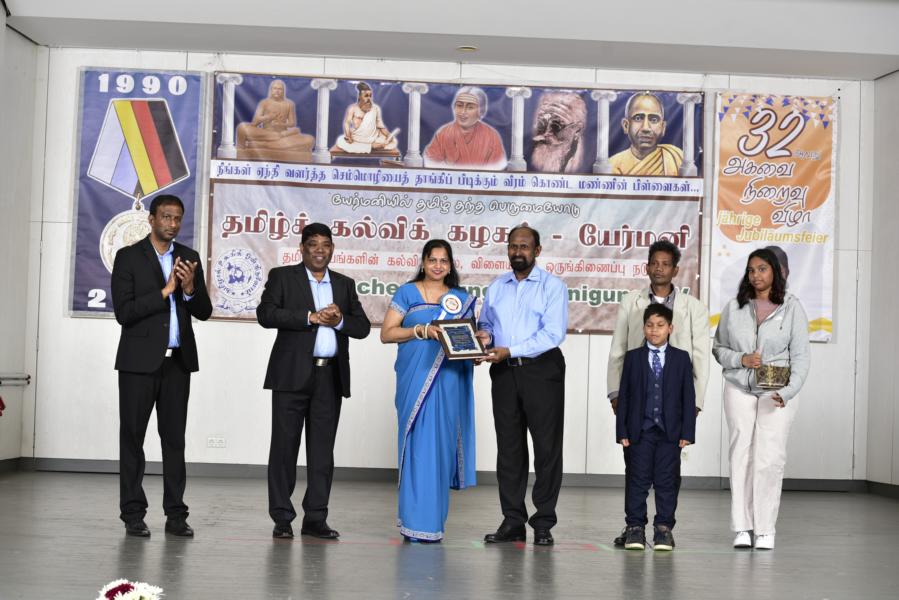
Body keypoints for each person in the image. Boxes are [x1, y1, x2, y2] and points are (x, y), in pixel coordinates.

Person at [257, 223, 371, 540]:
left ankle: (316, 519)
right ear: (302, 248)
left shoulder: (344, 285)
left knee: (322, 452)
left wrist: (340, 320)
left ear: (332, 249)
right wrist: (310, 317)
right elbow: (266, 314)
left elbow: (362, 327)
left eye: (326, 245)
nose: (320, 250)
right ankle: (282, 518)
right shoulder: (283, 277)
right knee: (284, 449)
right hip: (290, 376)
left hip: (329, 377)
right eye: (313, 244)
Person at [111, 194, 212, 538]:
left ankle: (176, 515)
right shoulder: (128, 257)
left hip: (177, 364)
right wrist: (166, 290)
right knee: (132, 439)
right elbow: (124, 313)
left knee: (174, 441)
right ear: (151, 219)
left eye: (177, 218)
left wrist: (189, 288)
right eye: (166, 217)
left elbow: (204, 311)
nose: (172, 223)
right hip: (138, 365)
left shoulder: (189, 258)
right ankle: (133, 514)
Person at [607, 239, 709, 546]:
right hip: (637, 401)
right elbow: (618, 348)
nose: (659, 269)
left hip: (674, 405)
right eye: (654, 263)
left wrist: (695, 403)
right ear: (647, 267)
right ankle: (634, 526)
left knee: (668, 473)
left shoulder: (693, 308)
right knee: (636, 469)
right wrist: (615, 394)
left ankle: (664, 526)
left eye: (666, 264)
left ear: (676, 270)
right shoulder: (631, 302)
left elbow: (700, 357)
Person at [713, 248, 810, 550]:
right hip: (739, 386)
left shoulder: (792, 307)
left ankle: (765, 529)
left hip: (776, 391)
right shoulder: (734, 307)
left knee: (769, 458)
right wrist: (741, 359)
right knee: (740, 454)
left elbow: (801, 357)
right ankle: (742, 527)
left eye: (762, 269)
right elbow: (718, 348)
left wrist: (788, 392)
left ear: (775, 272)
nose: (756, 275)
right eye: (751, 270)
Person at [380, 240, 477, 542]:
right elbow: (387, 334)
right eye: (432, 260)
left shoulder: (460, 298)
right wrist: (420, 331)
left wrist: (478, 347)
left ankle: (432, 524)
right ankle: (413, 522)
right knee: (418, 447)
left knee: (441, 449)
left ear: (450, 265)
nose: (438, 266)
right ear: (423, 262)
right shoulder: (407, 293)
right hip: (414, 379)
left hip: (448, 381)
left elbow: (467, 338)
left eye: (443, 261)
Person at [476, 226, 567, 546]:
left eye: (524, 246)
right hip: (503, 373)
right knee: (509, 450)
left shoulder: (552, 286)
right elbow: (486, 324)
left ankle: (543, 522)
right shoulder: (496, 286)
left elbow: (553, 334)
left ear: (537, 251)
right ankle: (513, 520)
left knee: (546, 449)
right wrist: (483, 338)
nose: (518, 252)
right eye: (513, 246)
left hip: (542, 371)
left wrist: (510, 350)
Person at [616, 304, 696, 551]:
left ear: (670, 328)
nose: (654, 330)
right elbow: (625, 396)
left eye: (660, 325)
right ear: (643, 328)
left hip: (670, 433)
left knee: (666, 481)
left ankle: (663, 529)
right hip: (639, 431)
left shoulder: (681, 358)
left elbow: (688, 397)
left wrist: (687, 432)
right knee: (637, 480)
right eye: (649, 325)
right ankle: (635, 527)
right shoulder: (633, 357)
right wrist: (622, 431)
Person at [424, 86, 507, 170]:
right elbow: (430, 162)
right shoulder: (444, 133)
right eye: (459, 106)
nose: (463, 112)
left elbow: (498, 167)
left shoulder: (491, 136)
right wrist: (448, 164)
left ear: (481, 111)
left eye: (470, 107)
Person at [609, 92, 683, 176]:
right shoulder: (612, 165)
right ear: (626, 125)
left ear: (663, 128)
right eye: (638, 118)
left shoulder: (676, 158)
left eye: (654, 120)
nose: (646, 128)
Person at [236, 79, 314, 153]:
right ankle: (277, 140)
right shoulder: (264, 103)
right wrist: (268, 117)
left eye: (280, 89)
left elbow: (292, 123)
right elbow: (254, 123)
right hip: (266, 133)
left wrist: (281, 124)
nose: (277, 91)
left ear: (283, 91)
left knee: (310, 139)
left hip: (283, 133)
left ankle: (262, 144)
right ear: (271, 90)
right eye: (275, 88)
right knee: (242, 127)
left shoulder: (289, 104)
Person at [334, 82, 398, 153]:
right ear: (359, 96)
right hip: (357, 138)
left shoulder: (376, 108)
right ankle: (372, 146)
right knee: (341, 141)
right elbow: (347, 123)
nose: (369, 98)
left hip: (372, 138)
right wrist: (348, 136)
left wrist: (389, 135)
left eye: (370, 96)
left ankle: (372, 145)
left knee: (392, 140)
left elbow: (380, 126)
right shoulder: (352, 108)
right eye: (366, 96)